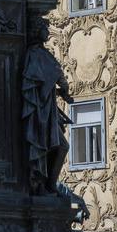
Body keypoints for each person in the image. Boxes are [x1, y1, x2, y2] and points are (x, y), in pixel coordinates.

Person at [22, 19, 72, 195]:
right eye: (44, 28)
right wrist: (61, 86)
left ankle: (48, 184)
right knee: (53, 145)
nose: (47, 32)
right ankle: (42, 183)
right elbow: (50, 74)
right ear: (37, 31)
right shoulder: (35, 54)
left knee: (60, 146)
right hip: (39, 110)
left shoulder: (43, 54)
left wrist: (62, 89)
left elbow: (55, 73)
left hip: (46, 109)